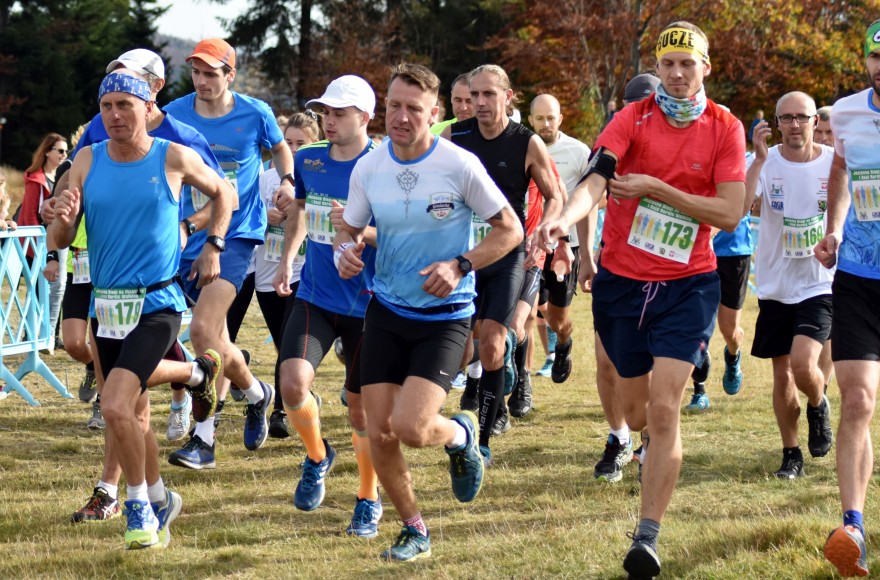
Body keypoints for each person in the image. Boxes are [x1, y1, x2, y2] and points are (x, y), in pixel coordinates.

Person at [540, 22, 745, 578]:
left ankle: (646, 536)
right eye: (668, 64)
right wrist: (563, 219)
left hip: (689, 284)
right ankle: (645, 447)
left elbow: (730, 212)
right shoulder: (632, 119)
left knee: (664, 406)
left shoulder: (725, 127)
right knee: (636, 413)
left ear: (705, 67)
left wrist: (656, 188)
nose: (677, 74)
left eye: (687, 64)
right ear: (657, 68)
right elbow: (596, 180)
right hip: (623, 283)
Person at [335, 62, 522, 562]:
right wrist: (345, 252)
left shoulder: (458, 164)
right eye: (394, 106)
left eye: (413, 109)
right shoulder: (369, 167)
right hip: (386, 312)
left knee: (413, 429)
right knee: (379, 431)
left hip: (445, 317)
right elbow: (348, 229)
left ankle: (460, 434)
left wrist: (461, 265)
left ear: (434, 112)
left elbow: (511, 230)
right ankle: (413, 528)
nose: (401, 117)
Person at [51, 69, 233, 549]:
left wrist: (213, 243)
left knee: (113, 403)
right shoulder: (86, 160)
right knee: (127, 415)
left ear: (147, 109)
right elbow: (61, 238)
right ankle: (158, 496)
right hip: (106, 307)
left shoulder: (171, 155)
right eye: (106, 106)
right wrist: (63, 222)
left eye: (124, 106)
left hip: (157, 303)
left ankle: (137, 508)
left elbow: (225, 193)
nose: (114, 115)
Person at [164, 38, 294, 469]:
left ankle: (204, 440)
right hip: (189, 233)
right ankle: (257, 393)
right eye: (195, 72)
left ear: (229, 75)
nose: (201, 81)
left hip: (237, 233)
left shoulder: (255, 112)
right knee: (218, 339)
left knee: (202, 331)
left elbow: (280, 147)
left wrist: (287, 180)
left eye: (210, 73)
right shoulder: (175, 113)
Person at [271, 75, 382, 537]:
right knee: (292, 383)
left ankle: (368, 497)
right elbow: (300, 209)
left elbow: (402, 234)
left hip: (369, 305)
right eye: (325, 112)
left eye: (339, 113)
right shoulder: (308, 159)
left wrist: (358, 233)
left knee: (360, 411)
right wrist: (287, 259)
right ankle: (318, 457)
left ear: (365, 117)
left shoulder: (384, 165)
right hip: (315, 294)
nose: (329, 120)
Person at [442, 64, 566, 460]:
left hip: (507, 253)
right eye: (473, 95)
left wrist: (544, 227)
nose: (479, 102)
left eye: (488, 94)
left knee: (494, 344)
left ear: (508, 97)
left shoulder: (527, 142)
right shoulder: (454, 137)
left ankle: (482, 440)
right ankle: (479, 392)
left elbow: (555, 196)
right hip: (463, 253)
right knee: (464, 349)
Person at [814, 20, 880, 578]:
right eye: (877, 57)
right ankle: (853, 526)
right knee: (857, 400)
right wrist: (833, 229)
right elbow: (840, 169)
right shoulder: (846, 113)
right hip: (858, 275)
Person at [747, 91, 835, 479]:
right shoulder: (764, 161)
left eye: (802, 117)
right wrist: (758, 161)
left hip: (819, 282)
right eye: (786, 118)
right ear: (776, 123)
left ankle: (817, 401)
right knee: (781, 372)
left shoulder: (834, 162)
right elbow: (739, 209)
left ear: (815, 121)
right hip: (775, 284)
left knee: (803, 364)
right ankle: (791, 453)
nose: (795, 124)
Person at [590, 72, 659, 482]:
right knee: (606, 362)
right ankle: (619, 438)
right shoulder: (613, 140)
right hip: (615, 266)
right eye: (638, 107)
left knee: (647, 368)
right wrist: (586, 256)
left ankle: (651, 440)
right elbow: (590, 193)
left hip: (665, 274)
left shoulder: (680, 141)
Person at [525, 93, 592, 415]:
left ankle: (563, 341)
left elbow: (591, 201)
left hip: (567, 246)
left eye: (551, 118)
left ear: (560, 119)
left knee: (556, 319)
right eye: (540, 118)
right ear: (530, 120)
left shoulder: (579, 152)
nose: (546, 124)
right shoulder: (522, 148)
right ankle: (521, 383)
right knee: (526, 313)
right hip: (530, 246)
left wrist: (587, 253)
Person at [260, 112, 323, 439]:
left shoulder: (319, 177)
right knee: (281, 342)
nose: (294, 149)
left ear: (315, 144)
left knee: (287, 340)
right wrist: (266, 216)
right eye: (289, 143)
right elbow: (246, 214)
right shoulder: (266, 176)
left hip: (303, 271)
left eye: (302, 143)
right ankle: (304, 395)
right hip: (267, 273)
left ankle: (280, 412)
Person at [21, 132, 68, 349]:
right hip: (37, 242)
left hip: (57, 239)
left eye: (66, 151)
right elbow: (30, 214)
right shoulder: (35, 179)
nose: (64, 155)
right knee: (39, 289)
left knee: (58, 288)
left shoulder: (63, 177)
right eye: (60, 150)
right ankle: (30, 334)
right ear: (47, 152)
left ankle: (51, 335)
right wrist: (38, 245)